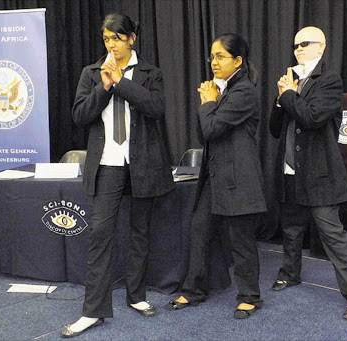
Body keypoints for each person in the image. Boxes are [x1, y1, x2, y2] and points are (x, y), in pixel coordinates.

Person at [61, 12, 174, 338]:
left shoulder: (151, 73)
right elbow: (80, 115)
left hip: (142, 163)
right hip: (108, 163)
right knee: (100, 234)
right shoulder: (92, 73)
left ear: (131, 38)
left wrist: (121, 82)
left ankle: (136, 296)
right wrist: (105, 86)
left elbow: (155, 108)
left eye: (117, 38)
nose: (111, 44)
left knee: (140, 233)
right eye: (107, 39)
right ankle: (93, 311)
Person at [269, 26, 347, 320]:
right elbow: (274, 129)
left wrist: (288, 95)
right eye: (295, 45)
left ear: (321, 47)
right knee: (290, 230)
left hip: (319, 174)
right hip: (289, 168)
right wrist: (280, 98)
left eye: (305, 44)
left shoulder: (329, 80)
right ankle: (290, 274)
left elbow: (313, 118)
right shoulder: (290, 81)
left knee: (332, 234)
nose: (298, 49)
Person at [166, 33, 267, 319]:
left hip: (239, 178)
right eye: (212, 56)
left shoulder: (244, 91)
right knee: (199, 232)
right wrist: (209, 102)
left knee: (241, 241)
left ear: (238, 60)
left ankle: (249, 296)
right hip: (214, 177)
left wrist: (208, 102)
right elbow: (205, 134)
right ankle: (195, 289)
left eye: (220, 56)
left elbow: (211, 129)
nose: (214, 62)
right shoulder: (221, 91)